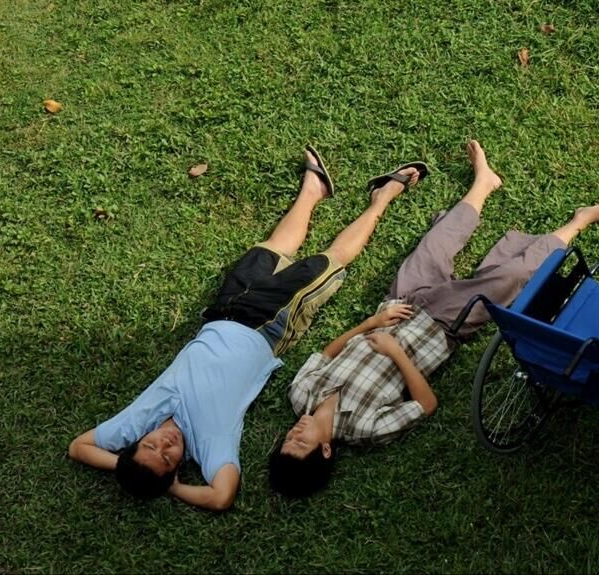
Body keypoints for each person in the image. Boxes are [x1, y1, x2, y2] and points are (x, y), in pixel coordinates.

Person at [68, 146, 427, 510]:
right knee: (326, 261)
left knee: (270, 249)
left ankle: (313, 190)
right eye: (166, 458)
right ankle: (383, 198)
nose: (163, 444)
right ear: (177, 468)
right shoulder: (210, 441)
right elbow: (221, 496)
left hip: (221, 313)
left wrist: (131, 467)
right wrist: (167, 486)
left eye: (149, 446)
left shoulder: (136, 422)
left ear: (135, 443)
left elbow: (79, 447)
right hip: (268, 326)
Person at [268, 140, 599, 497]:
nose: (294, 433)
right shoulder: (365, 430)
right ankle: (579, 221)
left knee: (435, 243)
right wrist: (395, 351)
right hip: (439, 329)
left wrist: (371, 325)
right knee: (509, 278)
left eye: (287, 439)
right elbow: (426, 405)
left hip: (397, 305)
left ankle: (483, 184)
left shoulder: (300, 394)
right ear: (326, 450)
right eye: (300, 444)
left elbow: (329, 353)